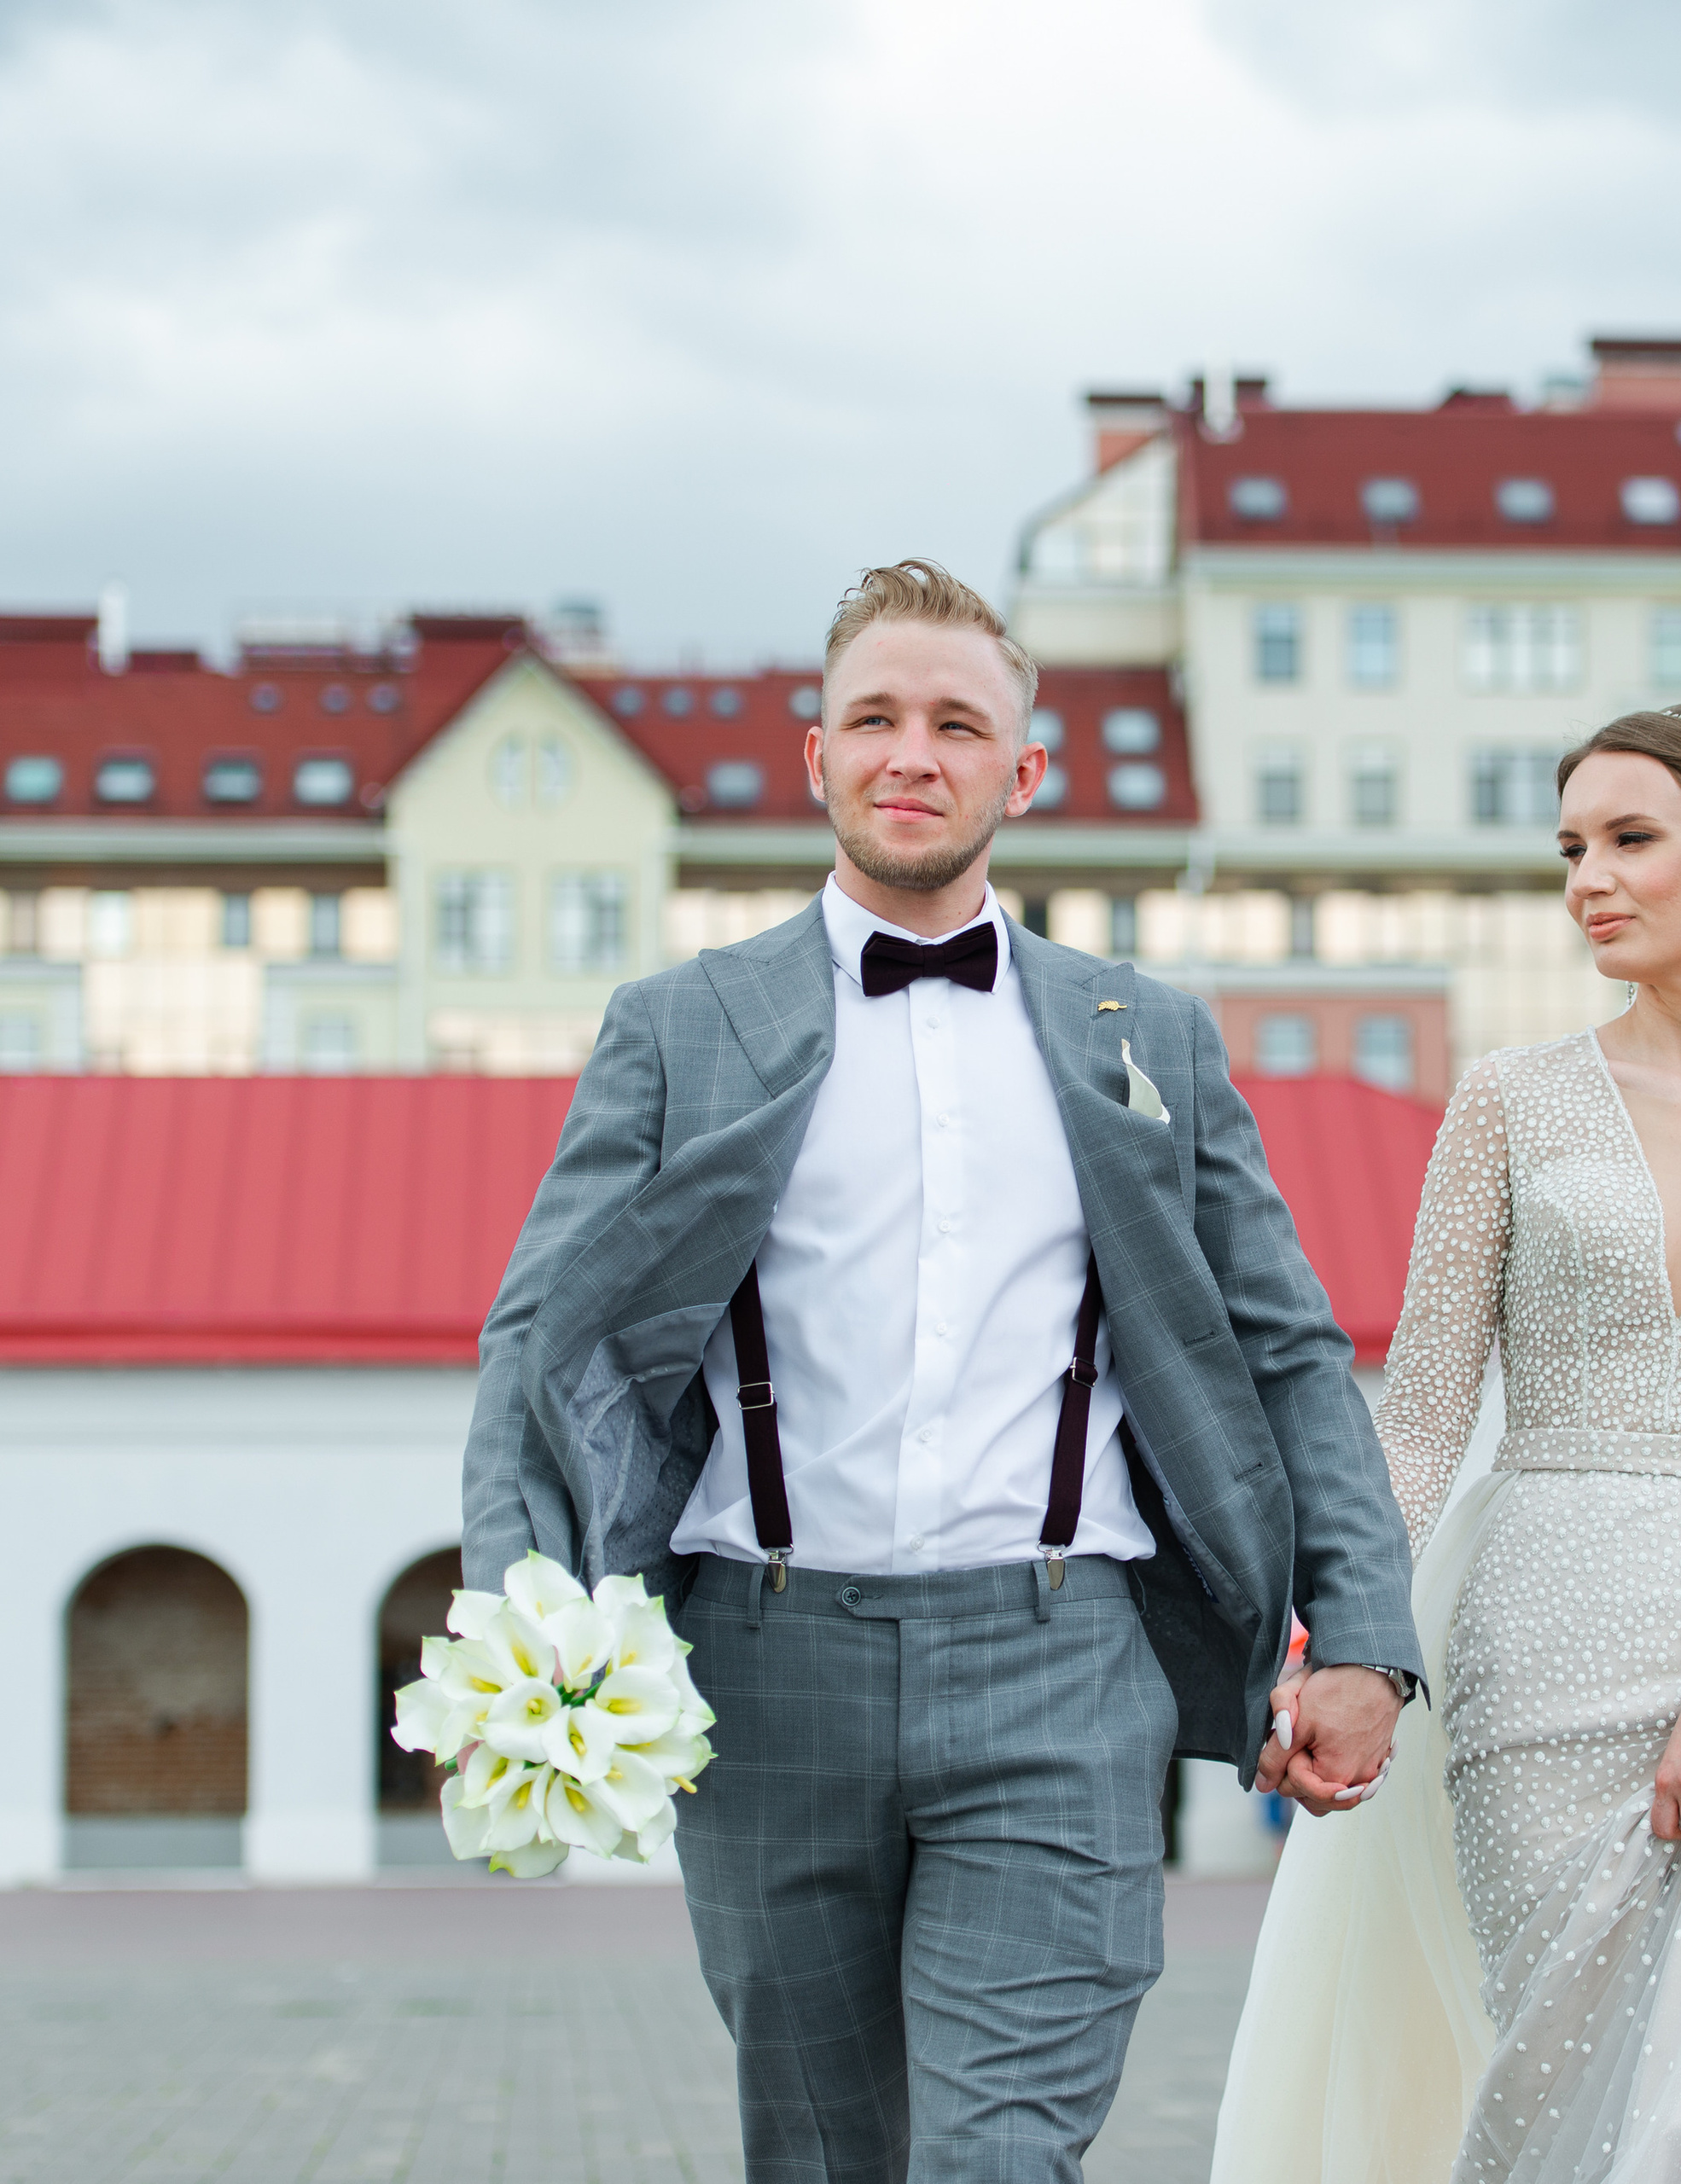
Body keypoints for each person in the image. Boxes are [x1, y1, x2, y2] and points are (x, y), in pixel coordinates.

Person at [460, 560, 1423, 2184]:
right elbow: (541, 1347)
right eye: (877, 720)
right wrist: (517, 1617)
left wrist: (1370, 1639)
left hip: (1062, 1667)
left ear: (1021, 771)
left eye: (958, 724)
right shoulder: (679, 1025)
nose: (915, 752)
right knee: (824, 2157)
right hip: (762, 1671)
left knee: (998, 2159)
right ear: (817, 755)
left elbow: (1284, 1348)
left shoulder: (1151, 1036)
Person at [1219, 705, 1681, 2184]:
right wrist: (1340, 1639)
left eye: (1631, 840)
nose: (1585, 882)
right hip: (1541, 1661)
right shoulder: (1507, 1102)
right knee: (1581, 2106)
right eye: (1570, 849)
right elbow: (1417, 1422)